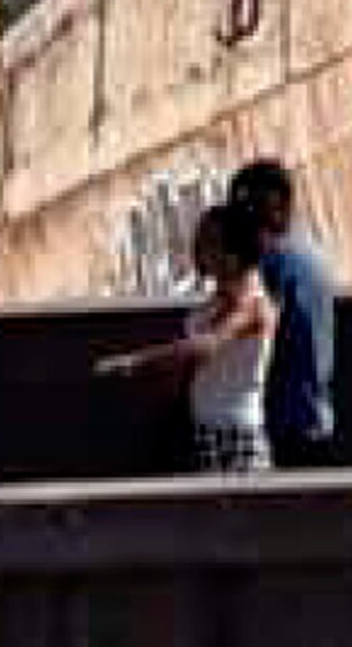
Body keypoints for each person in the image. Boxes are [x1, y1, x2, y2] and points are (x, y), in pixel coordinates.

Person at [101, 187, 280, 481]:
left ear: (232, 256)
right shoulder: (216, 301)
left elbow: (207, 345)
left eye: (208, 243)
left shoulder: (255, 306)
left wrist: (137, 362)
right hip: (203, 431)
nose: (197, 250)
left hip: (236, 438)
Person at [228, 154, 339, 462]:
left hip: (285, 420)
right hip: (316, 411)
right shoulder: (309, 248)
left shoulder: (275, 261)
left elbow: (256, 327)